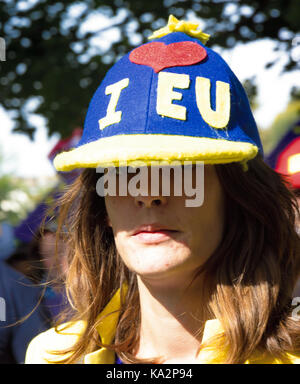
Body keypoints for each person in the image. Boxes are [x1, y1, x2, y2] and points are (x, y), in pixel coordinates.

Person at [25, 15, 300, 364]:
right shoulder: (50, 356)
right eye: (125, 171)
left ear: (236, 197)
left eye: (180, 168)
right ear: (102, 206)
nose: (148, 193)